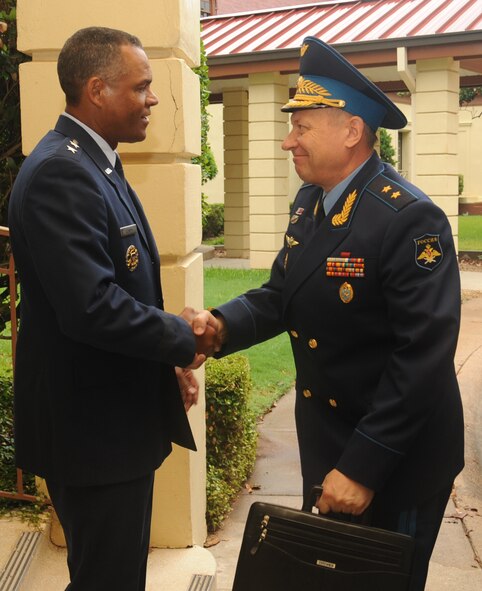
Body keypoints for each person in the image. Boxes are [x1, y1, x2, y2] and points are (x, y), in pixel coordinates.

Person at [198, 37, 464, 590]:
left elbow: (423, 359)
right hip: (331, 446)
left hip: (395, 461)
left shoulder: (409, 220)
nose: (286, 141)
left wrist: (363, 467)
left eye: (302, 127)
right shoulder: (312, 201)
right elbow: (280, 294)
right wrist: (219, 327)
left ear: (351, 131)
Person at [8, 26, 218, 591]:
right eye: (141, 87)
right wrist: (182, 335)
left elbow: (120, 290)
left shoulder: (92, 162)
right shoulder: (62, 172)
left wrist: (166, 361)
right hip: (92, 433)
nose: (152, 99)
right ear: (97, 89)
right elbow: (93, 307)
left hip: (107, 421)